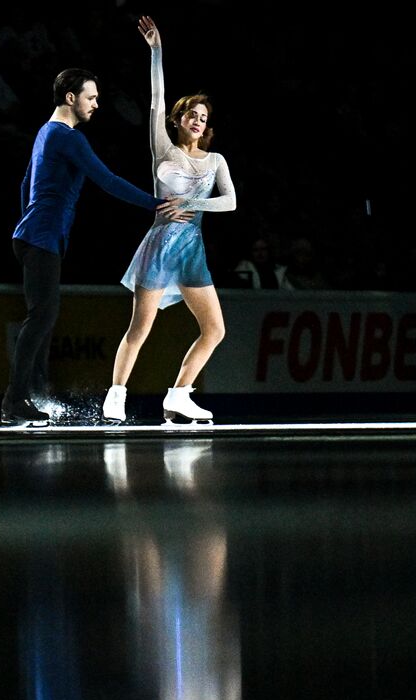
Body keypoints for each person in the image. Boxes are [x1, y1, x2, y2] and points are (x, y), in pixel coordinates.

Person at [6, 65, 188, 425]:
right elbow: (106, 179)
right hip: (41, 238)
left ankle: (33, 394)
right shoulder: (68, 137)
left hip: (34, 235)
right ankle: (14, 400)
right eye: (91, 98)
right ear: (70, 98)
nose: (96, 104)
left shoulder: (46, 132)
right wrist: (156, 205)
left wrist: (34, 218)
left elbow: (26, 182)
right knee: (41, 316)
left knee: (44, 317)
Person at [104, 16, 236, 425]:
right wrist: (157, 51)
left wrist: (194, 205)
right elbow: (156, 98)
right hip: (161, 245)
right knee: (139, 328)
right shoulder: (162, 148)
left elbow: (230, 202)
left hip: (191, 249)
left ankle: (179, 395)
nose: (197, 120)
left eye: (203, 117)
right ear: (177, 120)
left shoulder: (214, 160)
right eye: (190, 114)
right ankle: (116, 394)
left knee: (214, 329)